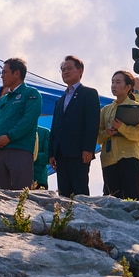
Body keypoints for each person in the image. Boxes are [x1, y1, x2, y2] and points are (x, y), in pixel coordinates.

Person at [0, 57, 42, 190]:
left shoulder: (31, 94)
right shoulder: (3, 99)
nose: (2, 76)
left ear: (16, 73)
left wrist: (9, 137)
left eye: (5, 72)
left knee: (19, 196)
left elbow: (28, 120)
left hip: (20, 151)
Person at [49, 55, 101, 197]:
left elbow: (92, 123)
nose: (65, 72)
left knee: (80, 191)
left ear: (80, 71)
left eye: (69, 68)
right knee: (63, 193)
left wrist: (89, 148)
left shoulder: (89, 93)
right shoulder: (60, 100)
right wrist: (52, 153)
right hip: (61, 153)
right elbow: (54, 128)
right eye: (63, 70)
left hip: (79, 152)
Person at [99, 70, 139, 199]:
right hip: (109, 159)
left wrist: (121, 127)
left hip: (131, 157)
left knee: (132, 198)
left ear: (128, 87)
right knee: (113, 199)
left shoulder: (137, 107)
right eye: (112, 82)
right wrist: (107, 133)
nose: (113, 85)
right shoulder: (105, 110)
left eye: (118, 82)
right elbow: (97, 136)